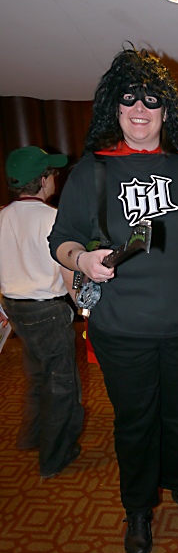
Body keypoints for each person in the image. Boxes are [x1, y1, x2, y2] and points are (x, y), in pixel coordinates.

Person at [48, 46, 178, 553]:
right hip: (122, 329)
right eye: (129, 98)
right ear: (114, 107)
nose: (139, 108)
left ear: (165, 109)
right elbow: (61, 240)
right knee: (134, 422)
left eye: (151, 99)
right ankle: (137, 506)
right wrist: (82, 261)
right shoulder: (92, 171)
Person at [0, 146, 84, 478]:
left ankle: (31, 435)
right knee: (61, 384)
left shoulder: (2, 216)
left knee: (37, 373)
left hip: (15, 309)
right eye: (52, 173)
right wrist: (86, 308)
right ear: (43, 180)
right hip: (48, 312)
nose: (55, 179)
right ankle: (55, 457)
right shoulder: (53, 219)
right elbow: (68, 273)